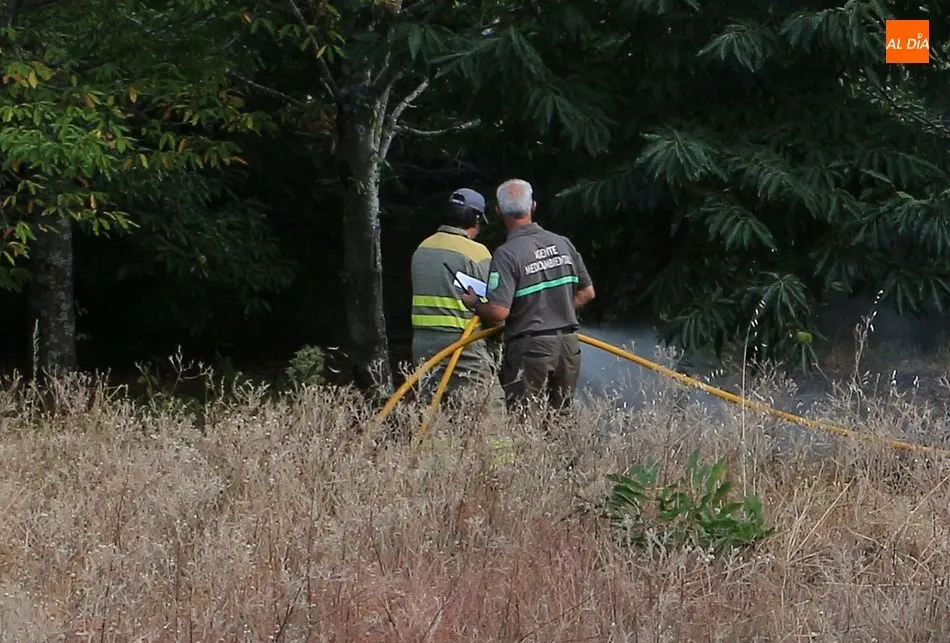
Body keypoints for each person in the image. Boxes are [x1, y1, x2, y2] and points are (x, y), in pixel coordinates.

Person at [460, 178, 595, 413]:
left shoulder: (506, 254)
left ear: (499, 211)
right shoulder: (562, 244)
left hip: (531, 349)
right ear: (533, 206)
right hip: (568, 347)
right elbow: (587, 292)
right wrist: (556, 313)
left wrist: (473, 303)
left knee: (525, 423)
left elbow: (499, 312)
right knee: (560, 419)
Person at [409, 187, 506, 417]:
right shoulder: (476, 252)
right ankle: (500, 455)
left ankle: (436, 453)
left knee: (435, 415)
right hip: (463, 346)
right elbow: (494, 306)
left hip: (423, 347)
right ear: (476, 218)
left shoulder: (423, 248)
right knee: (489, 412)